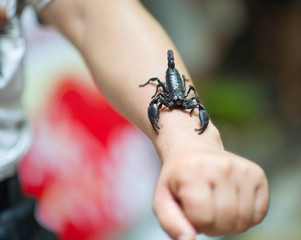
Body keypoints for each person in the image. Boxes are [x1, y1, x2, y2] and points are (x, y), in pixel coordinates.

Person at [0, 0, 270, 239]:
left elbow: (91, 9)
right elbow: (157, 87)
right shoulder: (163, 92)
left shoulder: (179, 96)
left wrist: (189, 141)